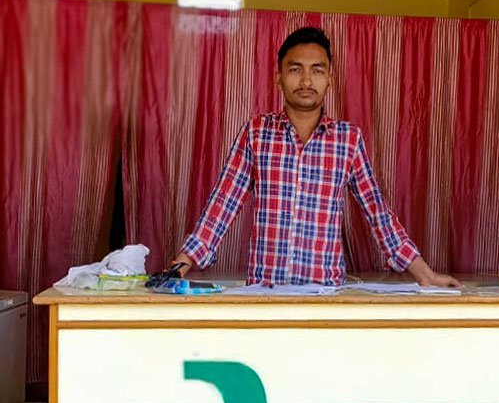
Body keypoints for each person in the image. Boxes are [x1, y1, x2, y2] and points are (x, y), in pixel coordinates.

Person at [160, 27, 459, 288]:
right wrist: (181, 264)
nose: (306, 80)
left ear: (329, 78)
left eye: (317, 70)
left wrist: (424, 274)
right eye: (295, 69)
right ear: (278, 78)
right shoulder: (256, 133)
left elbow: (378, 213)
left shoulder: (348, 139)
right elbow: (222, 204)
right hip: (266, 293)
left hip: (324, 296)